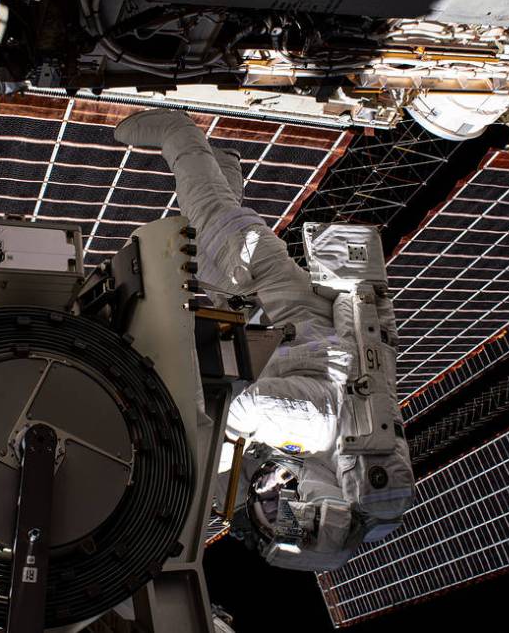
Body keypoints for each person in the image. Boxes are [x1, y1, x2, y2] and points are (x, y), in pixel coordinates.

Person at [115, 109, 414, 570]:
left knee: (206, 257)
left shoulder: (320, 458)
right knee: (207, 222)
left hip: (269, 326)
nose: (271, 496)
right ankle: (178, 132)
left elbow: (256, 458)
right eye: (280, 507)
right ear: (318, 503)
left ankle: (223, 164)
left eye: (269, 511)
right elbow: (246, 411)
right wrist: (207, 456)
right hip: (284, 303)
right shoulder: (316, 430)